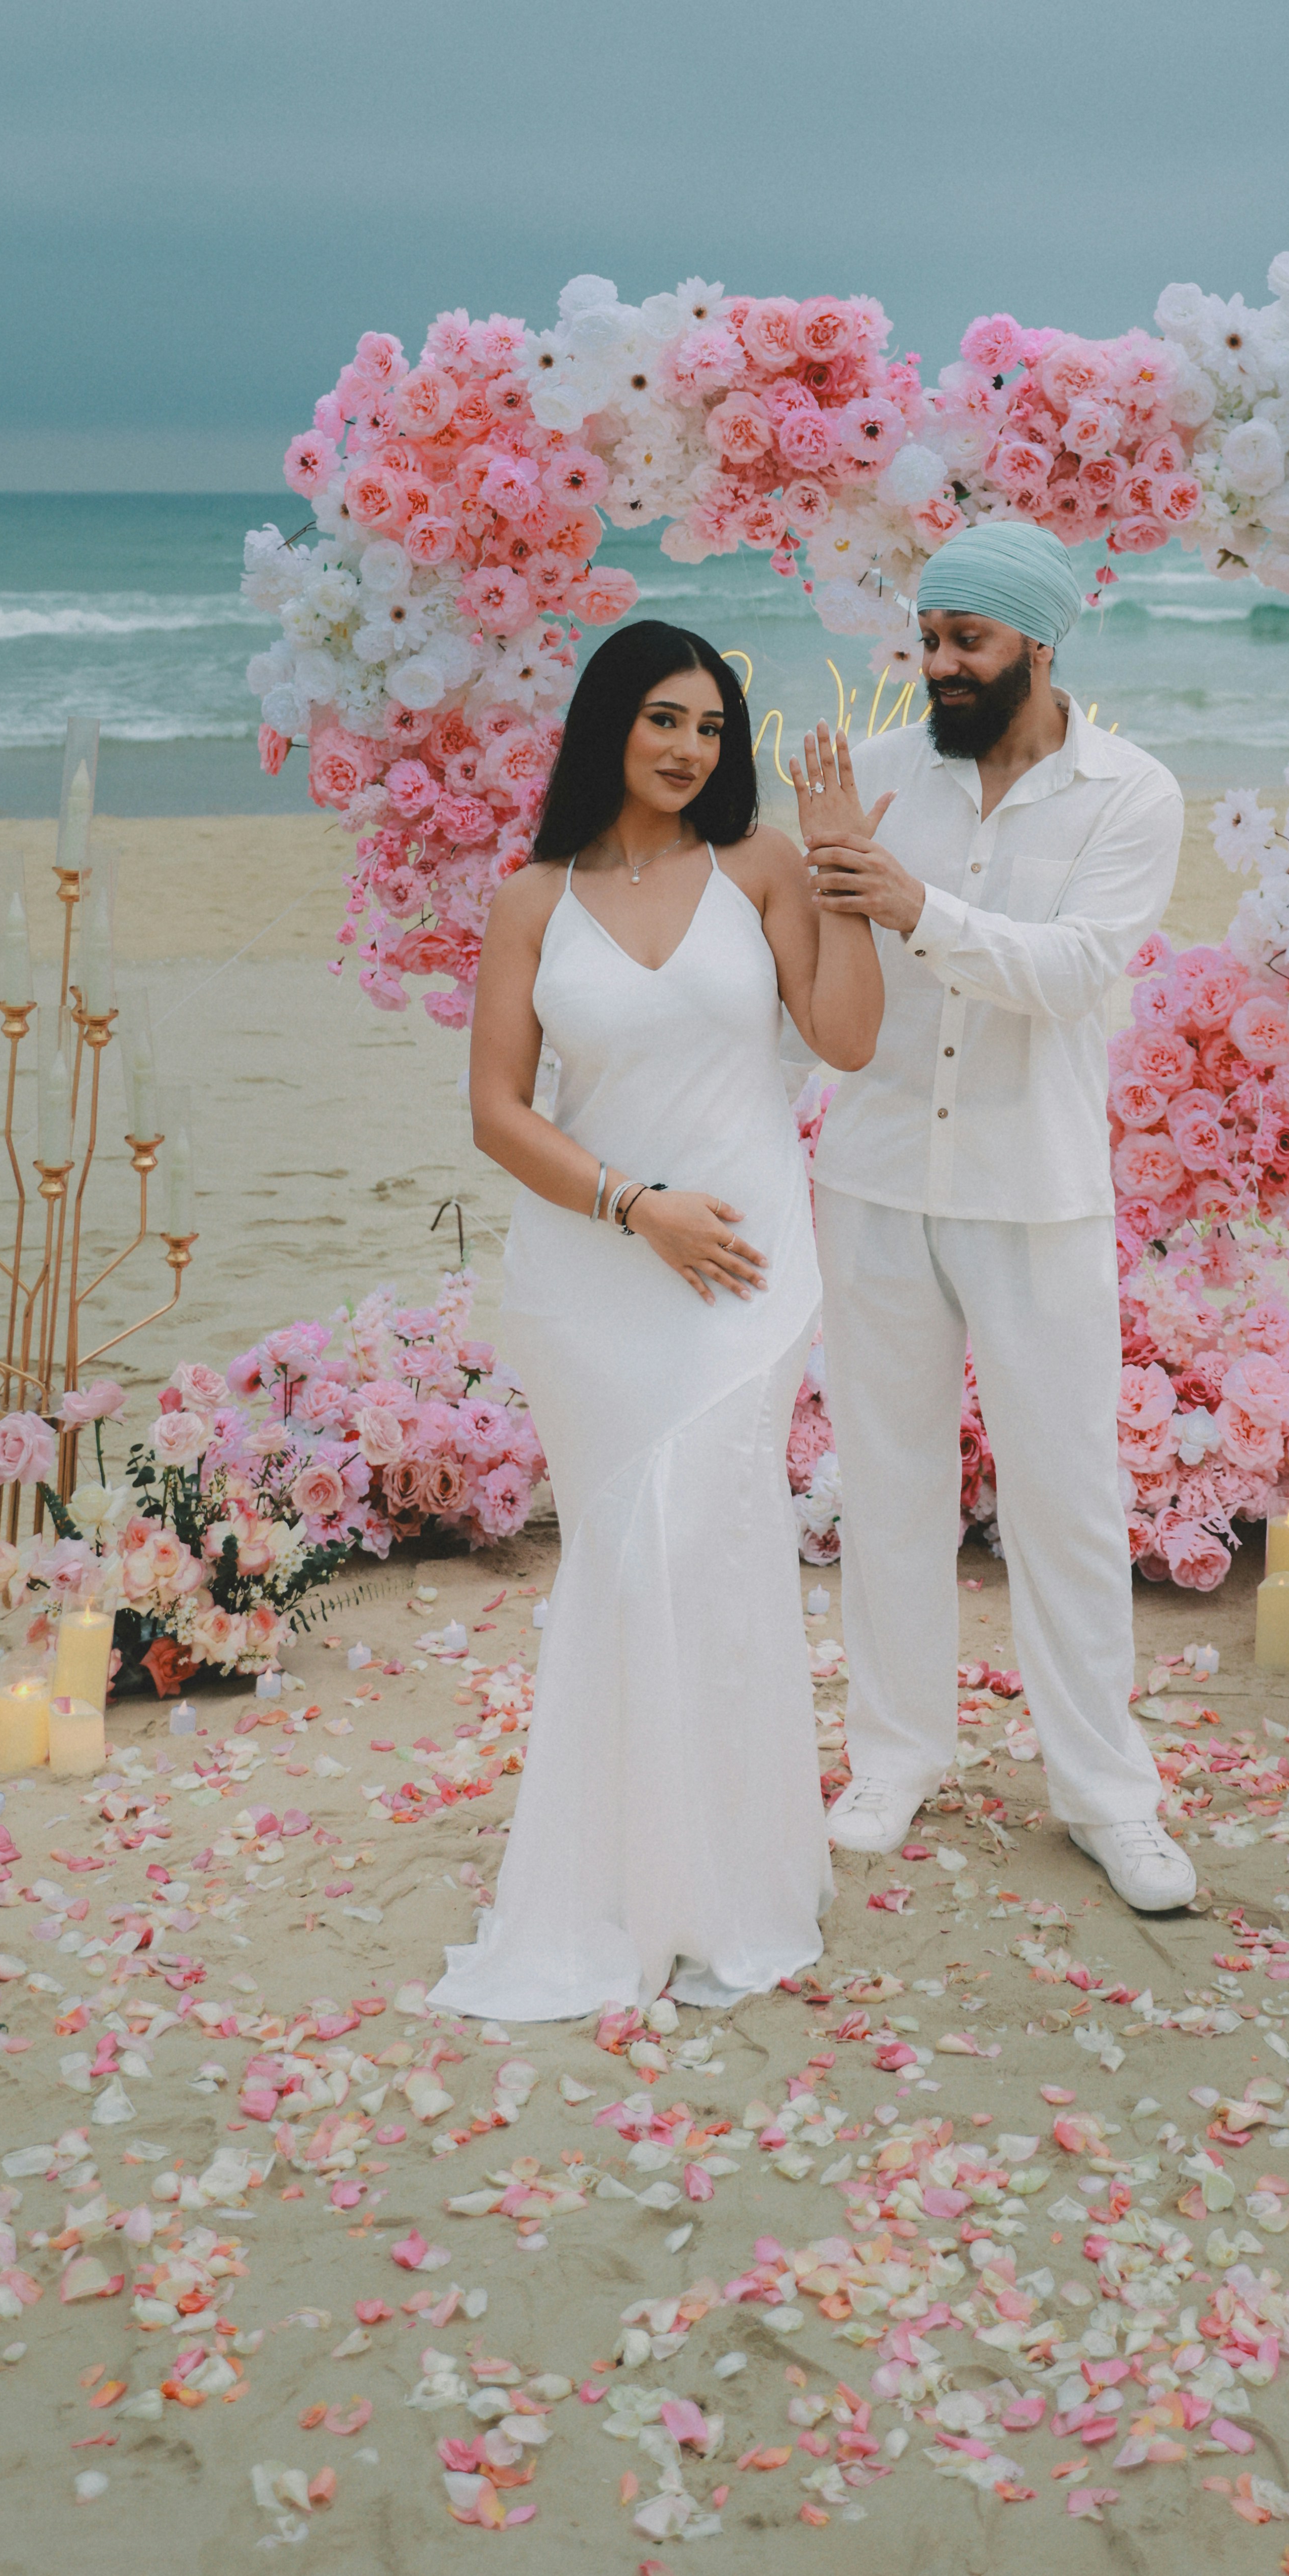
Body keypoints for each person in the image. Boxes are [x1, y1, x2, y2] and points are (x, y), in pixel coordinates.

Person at [431, 621, 884, 2019]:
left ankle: (730, 1885)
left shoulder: (757, 869)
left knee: (707, 1540)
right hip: (593, 1275)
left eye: (709, 726)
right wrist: (637, 1207)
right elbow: (498, 1112)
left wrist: (845, 867)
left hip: (744, 1275)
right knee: (630, 1563)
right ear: (609, 726)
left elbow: (850, 1039)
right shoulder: (531, 900)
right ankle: (626, 1884)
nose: (689, 748)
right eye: (663, 720)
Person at [796, 519, 1198, 1914]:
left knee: (1067, 1501)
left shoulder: (1129, 794)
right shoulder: (877, 781)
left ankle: (1107, 1798)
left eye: (966, 641)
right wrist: (831, 874)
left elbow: (1078, 973)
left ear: (1039, 640)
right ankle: (896, 1757)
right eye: (927, 640)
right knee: (887, 1485)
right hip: (873, 1177)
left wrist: (911, 906)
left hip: (1035, 1194)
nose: (939, 666)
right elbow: (818, 965)